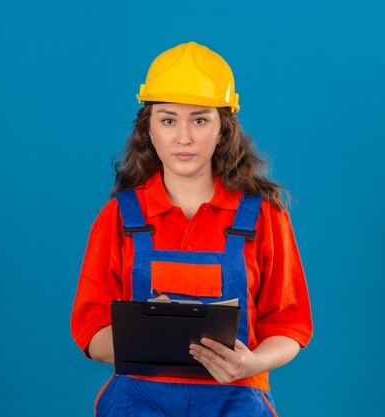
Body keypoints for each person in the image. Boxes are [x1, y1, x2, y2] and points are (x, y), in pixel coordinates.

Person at [71, 41, 313, 416]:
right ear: (148, 128)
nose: (183, 137)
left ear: (222, 130)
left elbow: (290, 325)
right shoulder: (119, 217)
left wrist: (250, 364)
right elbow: (91, 331)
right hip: (138, 403)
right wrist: (152, 339)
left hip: (236, 400)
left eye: (200, 120)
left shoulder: (263, 217)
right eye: (168, 120)